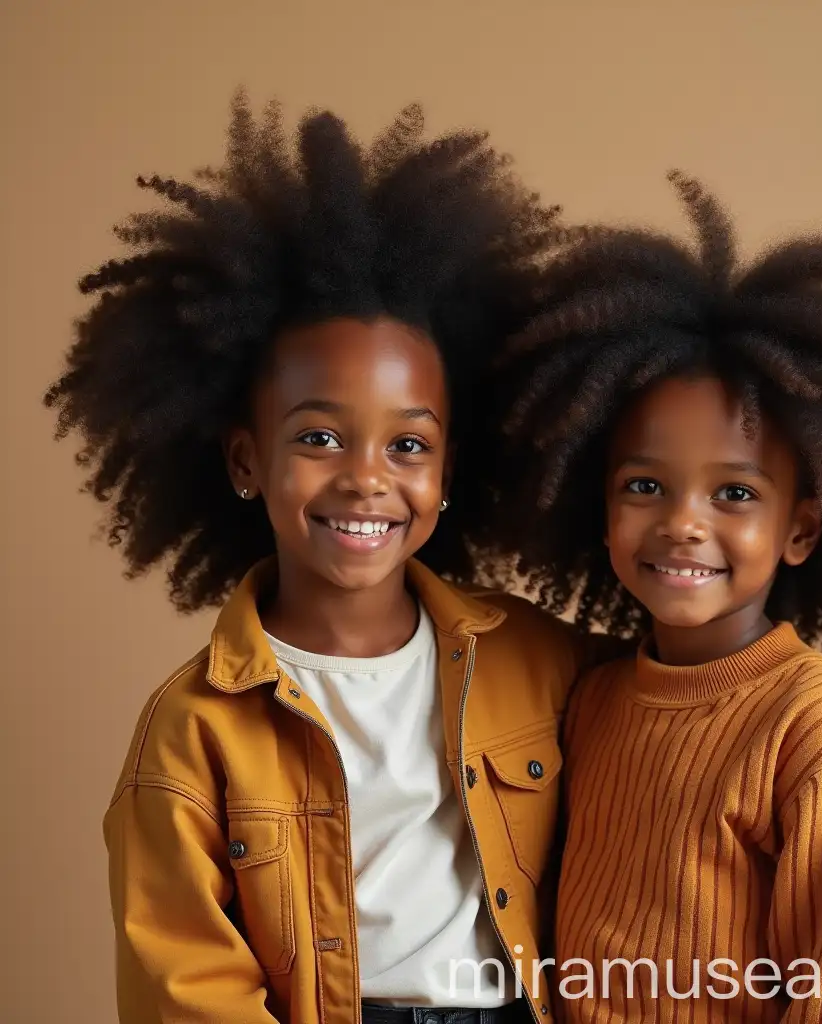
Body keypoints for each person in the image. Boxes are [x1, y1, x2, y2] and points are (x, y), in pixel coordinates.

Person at [45, 92, 590, 1024]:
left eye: (408, 447)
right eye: (319, 439)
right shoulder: (193, 729)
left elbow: (681, 727)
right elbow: (186, 989)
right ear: (245, 459)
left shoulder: (536, 659)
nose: (367, 480)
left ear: (450, 470)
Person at [484, 172, 822, 1022]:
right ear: (595, 502)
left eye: (736, 494)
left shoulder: (814, 733)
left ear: (802, 530)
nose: (683, 524)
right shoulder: (594, 698)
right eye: (645, 485)